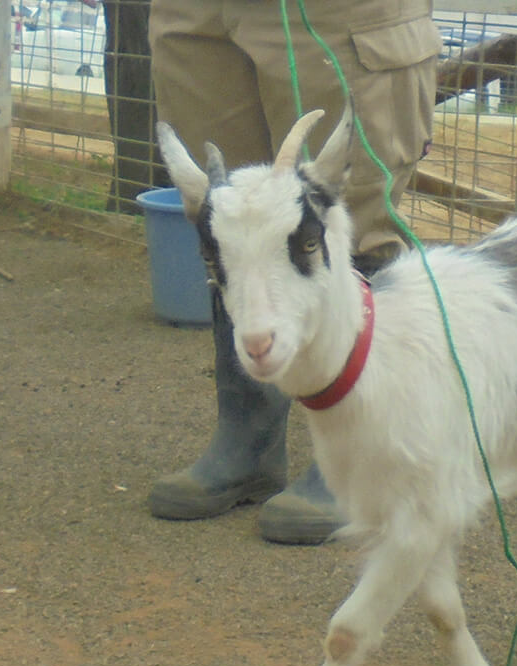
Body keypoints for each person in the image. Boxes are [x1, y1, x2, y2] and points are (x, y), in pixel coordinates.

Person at [146, 0, 440, 543]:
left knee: (351, 215)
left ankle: (361, 458)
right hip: (200, 13)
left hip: (332, 15)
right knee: (232, 213)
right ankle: (248, 443)